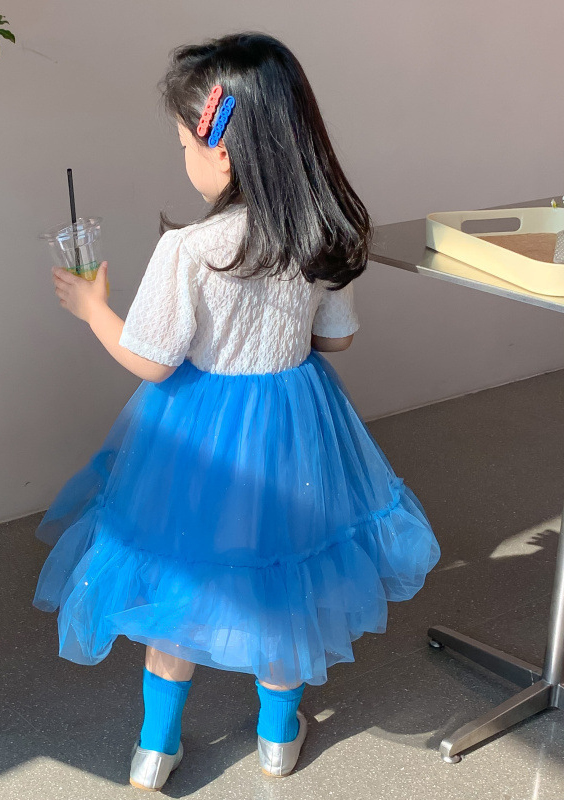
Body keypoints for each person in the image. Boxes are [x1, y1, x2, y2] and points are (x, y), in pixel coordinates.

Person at [33, 32, 440, 792]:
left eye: (184, 144)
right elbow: (337, 340)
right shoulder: (324, 233)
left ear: (221, 151)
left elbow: (152, 359)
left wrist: (92, 309)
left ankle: (156, 748)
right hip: (295, 423)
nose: (184, 159)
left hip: (199, 435)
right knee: (287, 580)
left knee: (178, 579)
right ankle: (278, 738)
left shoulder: (190, 248)